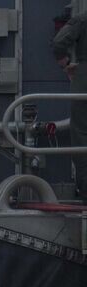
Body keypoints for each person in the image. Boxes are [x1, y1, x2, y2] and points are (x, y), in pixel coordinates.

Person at [52, 11, 87, 197]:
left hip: (84, 80)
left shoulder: (83, 19)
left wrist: (65, 62)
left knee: (81, 135)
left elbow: (59, 42)